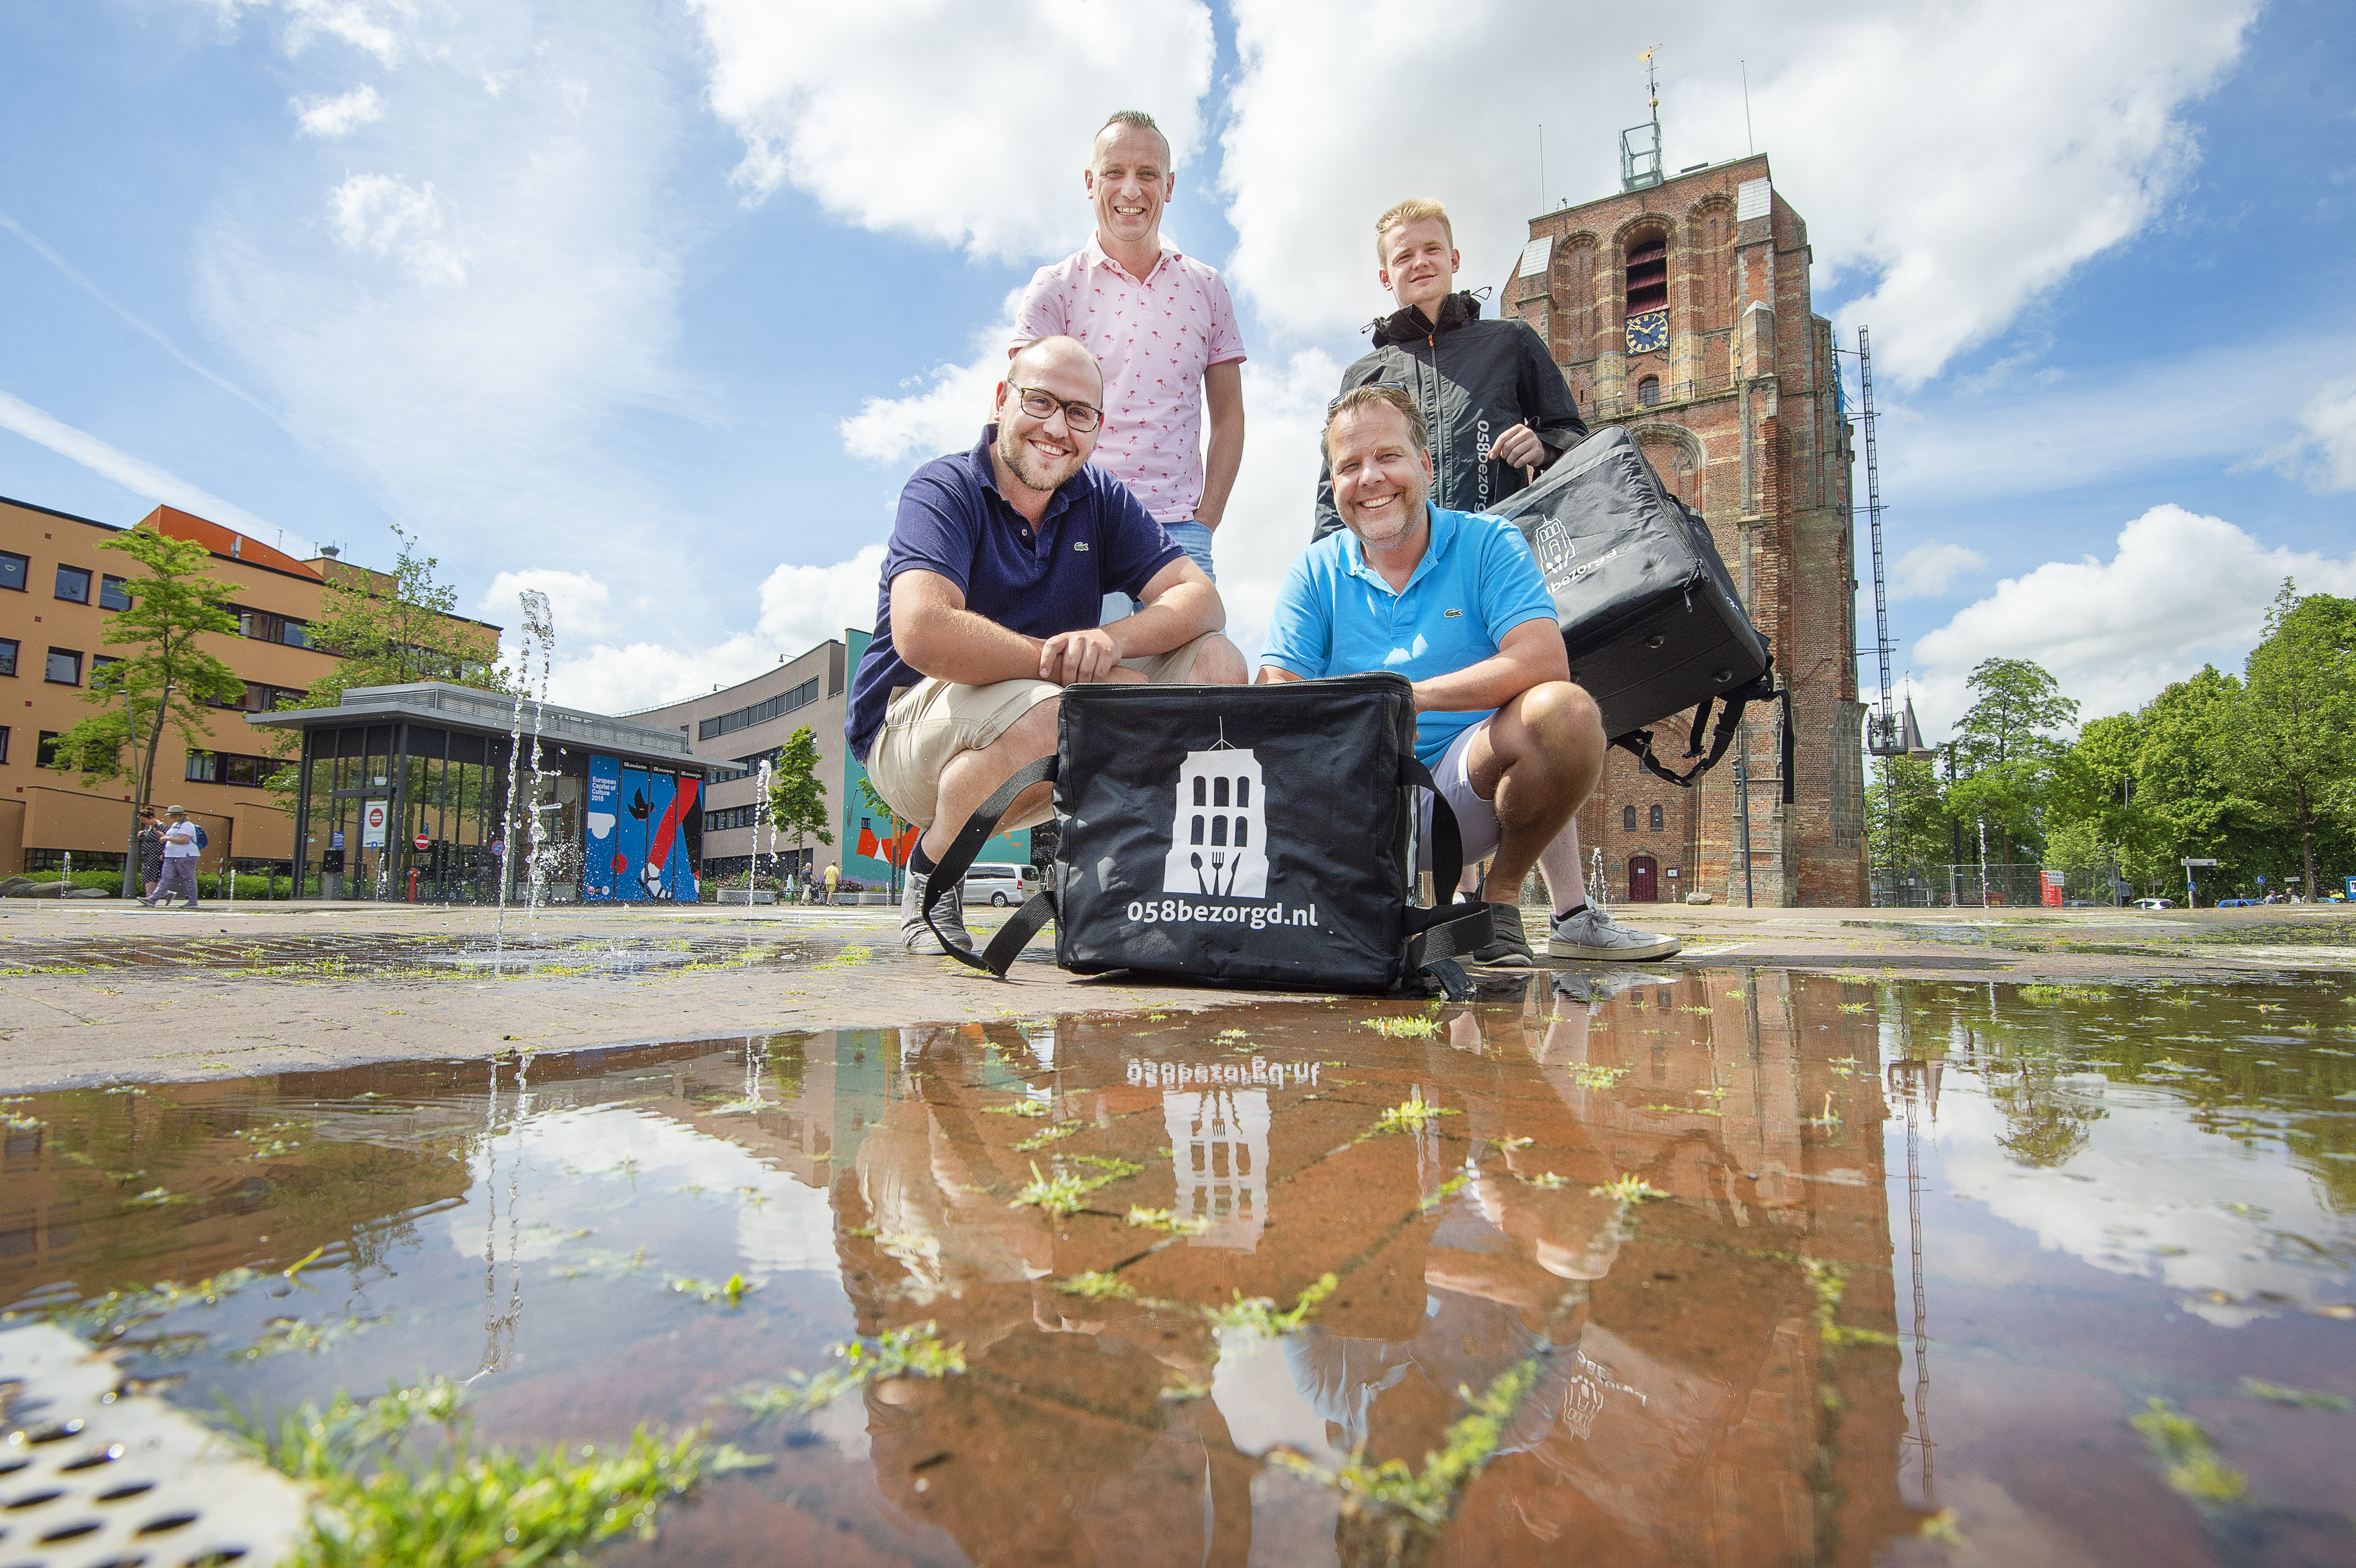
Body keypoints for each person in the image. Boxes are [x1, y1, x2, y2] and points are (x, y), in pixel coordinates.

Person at [1314, 197, 1675, 965]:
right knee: (1434, 733)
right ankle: (1448, 913)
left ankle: (1570, 914)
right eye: (1403, 255)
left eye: (1431, 250)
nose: (1419, 263)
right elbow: (1332, 494)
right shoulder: (1367, 374)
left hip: (1500, 565)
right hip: (1401, 581)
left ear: (1453, 258)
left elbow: (1579, 443)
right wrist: (1333, 576)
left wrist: (1541, 443)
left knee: (1533, 712)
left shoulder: (1510, 342)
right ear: (1386, 272)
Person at [845, 336, 1248, 954]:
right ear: (1002, 400)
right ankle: (932, 876)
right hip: (908, 728)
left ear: (1096, 427)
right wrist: (1063, 668)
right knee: (1063, 711)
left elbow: (1201, 599)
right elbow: (922, 631)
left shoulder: (1097, 497)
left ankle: (1120, 880)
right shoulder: (944, 489)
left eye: (1079, 413)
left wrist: (1107, 642)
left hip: (1035, 722)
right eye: (1040, 402)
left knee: (1218, 664)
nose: (1057, 428)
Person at [1260, 385, 1604, 964]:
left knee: (1566, 713)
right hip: (1351, 797)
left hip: (1463, 790)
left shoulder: (1488, 541)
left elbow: (1544, 660)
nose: (1369, 478)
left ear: (1424, 465)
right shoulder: (1313, 570)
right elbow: (1276, 693)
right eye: (1348, 466)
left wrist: (1407, 699)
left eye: (1387, 457)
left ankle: (1497, 903)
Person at [1012, 110, 1245, 623]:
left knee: (1197, 688)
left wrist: (1205, 522)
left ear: (1170, 186)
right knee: (1086, 691)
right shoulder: (1056, 287)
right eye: (1114, 173)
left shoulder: (1207, 287)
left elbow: (1229, 417)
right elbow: (1014, 412)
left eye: (1147, 175)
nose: (1131, 190)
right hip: (1077, 525)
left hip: (1180, 535)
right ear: (1091, 182)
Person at [143, 805, 201, 909]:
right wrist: (164, 837)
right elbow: (172, 838)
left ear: (180, 816)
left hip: (185, 856)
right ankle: (153, 899)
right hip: (171, 856)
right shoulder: (175, 825)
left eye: (173, 816)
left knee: (188, 879)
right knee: (166, 878)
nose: (171, 818)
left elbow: (184, 840)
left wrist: (167, 838)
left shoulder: (187, 825)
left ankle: (193, 902)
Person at [134, 808, 165, 900]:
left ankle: (150, 897)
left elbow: (166, 840)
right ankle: (164, 894)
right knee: (148, 875)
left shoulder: (160, 827)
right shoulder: (149, 827)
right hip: (148, 855)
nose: (144, 822)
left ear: (151, 817)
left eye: (144, 820)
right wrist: (142, 834)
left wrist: (163, 853)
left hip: (155, 855)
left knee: (150, 876)